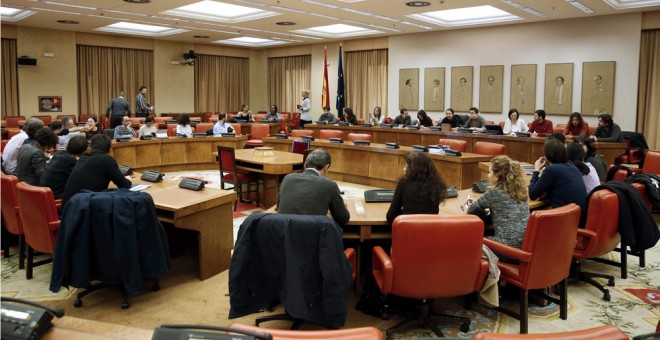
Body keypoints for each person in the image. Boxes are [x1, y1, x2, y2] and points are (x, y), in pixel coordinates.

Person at [465, 155, 529, 261]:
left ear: (497, 176)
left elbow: (471, 210)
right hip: (524, 248)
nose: (488, 175)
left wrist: (479, 206)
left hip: (507, 250)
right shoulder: (522, 190)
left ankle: (485, 275)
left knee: (469, 239)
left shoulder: (494, 193)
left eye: (490, 172)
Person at [276, 148, 350, 225]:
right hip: (312, 235)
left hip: (284, 232)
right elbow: (343, 218)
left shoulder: (287, 178)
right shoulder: (329, 185)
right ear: (326, 168)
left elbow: (278, 208)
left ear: (305, 165)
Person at [62, 134, 132, 205]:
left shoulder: (83, 158)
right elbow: (124, 185)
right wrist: (128, 180)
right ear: (109, 148)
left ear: (90, 147)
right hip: (84, 210)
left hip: (69, 208)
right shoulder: (107, 159)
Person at [386, 152, 448, 224]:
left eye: (406, 166)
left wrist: (404, 214)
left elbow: (390, 216)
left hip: (408, 231)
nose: (403, 169)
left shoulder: (404, 183)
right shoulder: (436, 184)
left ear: (414, 169)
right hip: (430, 231)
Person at [528, 138, 586, 209]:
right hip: (577, 216)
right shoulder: (573, 168)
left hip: (562, 216)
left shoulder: (552, 170)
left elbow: (532, 195)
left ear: (546, 156)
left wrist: (536, 170)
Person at [39, 134, 88, 200]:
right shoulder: (71, 160)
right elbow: (79, 179)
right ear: (83, 151)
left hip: (43, 193)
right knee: (84, 194)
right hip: (54, 197)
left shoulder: (58, 154)